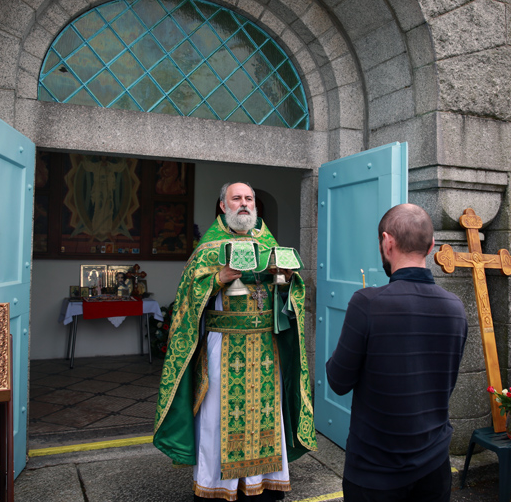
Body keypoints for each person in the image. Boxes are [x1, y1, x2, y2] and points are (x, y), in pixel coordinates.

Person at [154, 182, 316, 501]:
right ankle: (219, 487)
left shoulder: (269, 243)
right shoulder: (208, 248)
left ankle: (266, 483)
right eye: (237, 198)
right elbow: (187, 298)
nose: (244, 204)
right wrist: (218, 278)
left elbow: (288, 295)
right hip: (223, 346)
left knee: (267, 413)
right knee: (217, 417)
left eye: (249, 199)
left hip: (266, 347)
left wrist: (284, 279)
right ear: (223, 205)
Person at [326, 204, 467, 502]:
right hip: (435, 465)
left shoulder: (366, 303)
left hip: (375, 472)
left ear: (387, 242)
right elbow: (443, 382)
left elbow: (338, 381)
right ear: (430, 247)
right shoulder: (455, 307)